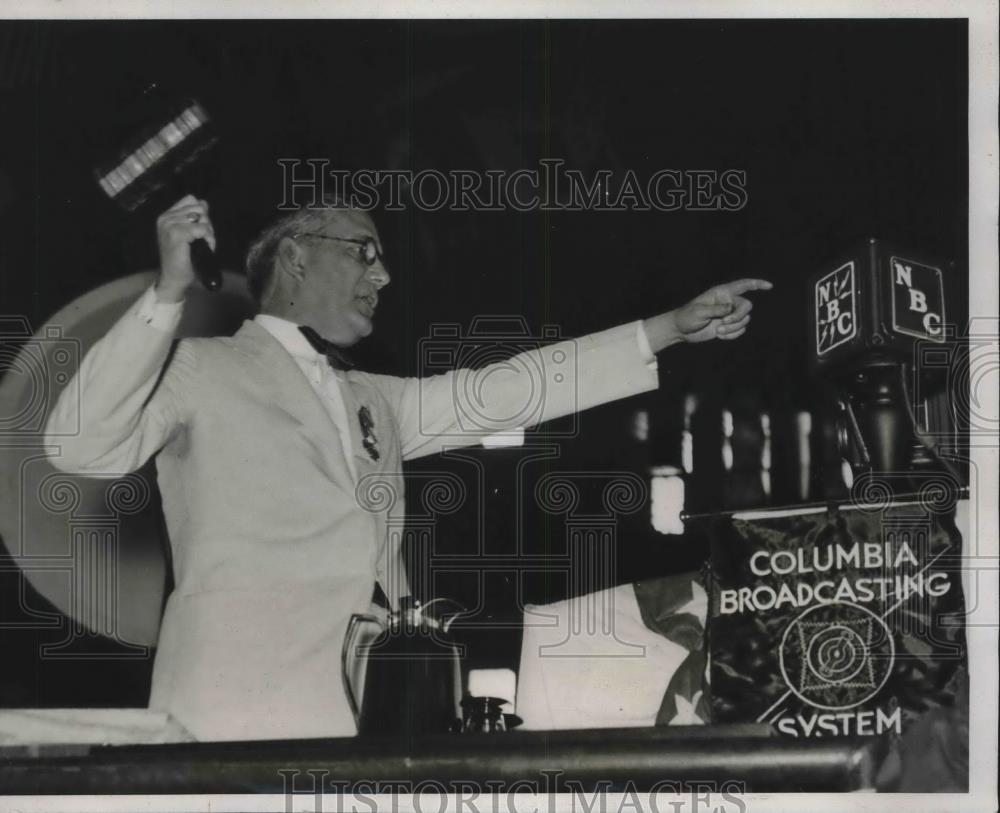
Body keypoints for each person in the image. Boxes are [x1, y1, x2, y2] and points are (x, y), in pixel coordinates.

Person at [45, 194, 771, 741]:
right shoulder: (198, 367)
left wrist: (666, 330)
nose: (384, 275)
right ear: (296, 257)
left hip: (376, 714)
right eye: (364, 251)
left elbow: (506, 389)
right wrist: (167, 294)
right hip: (232, 713)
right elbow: (78, 446)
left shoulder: (374, 397)